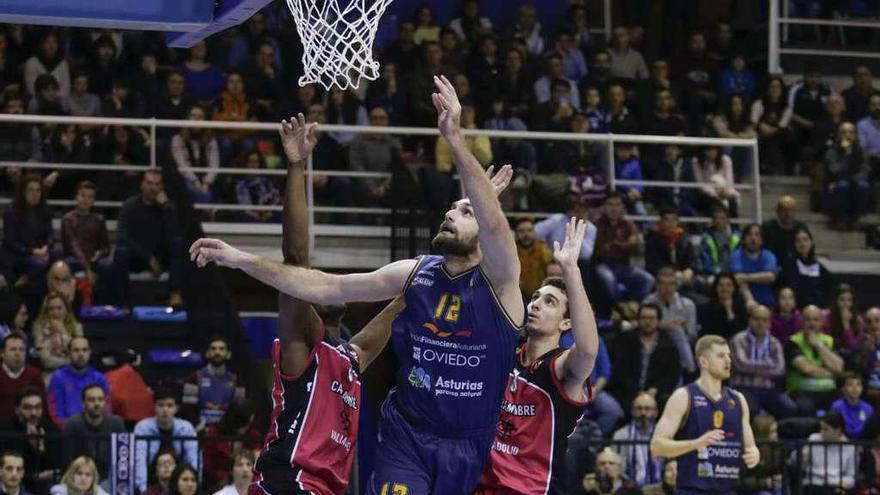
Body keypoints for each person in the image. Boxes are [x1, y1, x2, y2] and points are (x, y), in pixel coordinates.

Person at [192, 77, 524, 495]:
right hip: (363, 454)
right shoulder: (319, 340)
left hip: (464, 445)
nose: (449, 212)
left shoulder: (354, 356)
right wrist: (238, 258)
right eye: (452, 207)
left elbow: (486, 233)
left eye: (464, 211)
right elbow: (315, 278)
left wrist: (478, 191)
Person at [475, 218, 599, 494]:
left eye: (550, 302)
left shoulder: (560, 368)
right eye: (536, 298)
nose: (536, 304)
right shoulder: (506, 354)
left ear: (566, 323)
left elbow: (589, 350)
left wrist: (570, 270)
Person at [650, 335, 761, 494]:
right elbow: (657, 447)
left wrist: (754, 454)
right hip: (692, 490)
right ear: (703, 362)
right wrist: (696, 444)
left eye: (729, 355)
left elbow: (750, 447)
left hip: (728, 490)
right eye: (721, 356)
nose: (728, 360)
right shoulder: (683, 396)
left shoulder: (738, 400)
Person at [114, 171, 183, 306]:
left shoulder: (168, 207)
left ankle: (175, 294)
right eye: (149, 183)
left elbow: (175, 234)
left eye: (157, 184)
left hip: (161, 256)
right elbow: (123, 237)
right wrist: (149, 258)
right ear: (142, 185)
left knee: (179, 244)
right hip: (139, 257)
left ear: (162, 187)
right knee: (121, 253)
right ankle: (122, 303)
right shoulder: (130, 206)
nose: (153, 188)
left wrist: (166, 207)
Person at [729, 305, 799, 419]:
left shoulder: (775, 343)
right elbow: (741, 365)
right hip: (743, 387)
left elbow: (780, 370)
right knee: (751, 409)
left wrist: (752, 365)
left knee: (789, 408)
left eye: (764, 320)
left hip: (769, 389)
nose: (760, 323)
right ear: (750, 320)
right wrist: (769, 364)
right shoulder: (738, 339)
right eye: (756, 319)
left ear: (769, 323)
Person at [609, 304, 682, 411]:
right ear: (638, 319)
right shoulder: (625, 340)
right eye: (644, 318)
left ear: (658, 321)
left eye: (652, 318)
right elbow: (619, 371)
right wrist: (637, 391)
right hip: (627, 392)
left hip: (657, 394)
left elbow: (673, 374)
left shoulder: (669, 344)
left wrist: (655, 389)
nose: (648, 322)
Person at [133, 389, 199, 494]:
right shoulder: (142, 427)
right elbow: (139, 461)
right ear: (154, 407)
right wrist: (144, 491)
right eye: (160, 405)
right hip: (150, 481)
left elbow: (193, 460)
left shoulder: (186, 428)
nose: (165, 410)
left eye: (169, 405)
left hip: (180, 483)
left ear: (176, 408)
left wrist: (193, 486)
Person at [593, 192, 654, 302]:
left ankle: (636, 307)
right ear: (604, 207)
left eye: (617, 205)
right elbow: (600, 250)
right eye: (610, 205)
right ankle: (618, 308)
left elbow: (634, 246)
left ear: (622, 207)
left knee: (648, 279)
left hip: (624, 265)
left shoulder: (628, 224)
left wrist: (615, 246)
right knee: (608, 279)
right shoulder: (597, 225)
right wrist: (623, 246)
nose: (614, 208)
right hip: (603, 264)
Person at [0, 388, 63, 494]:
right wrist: (34, 477)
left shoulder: (52, 430)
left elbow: (58, 468)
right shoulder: (5, 430)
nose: (33, 413)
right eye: (27, 408)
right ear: (17, 409)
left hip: (44, 487)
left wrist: (40, 449)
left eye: (37, 407)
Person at [785, 305, 845, 416]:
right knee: (806, 409)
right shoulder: (793, 342)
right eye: (808, 320)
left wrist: (818, 345)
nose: (812, 324)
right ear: (801, 321)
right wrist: (832, 373)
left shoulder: (830, 341)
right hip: (802, 392)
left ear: (821, 322)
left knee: (841, 409)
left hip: (829, 392)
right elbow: (807, 369)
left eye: (816, 320)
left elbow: (839, 368)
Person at [2, 175, 55, 291]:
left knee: (59, 256)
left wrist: (46, 248)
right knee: (37, 265)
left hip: (40, 252)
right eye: (31, 190)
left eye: (38, 190)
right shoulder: (11, 212)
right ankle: (21, 284)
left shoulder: (45, 210)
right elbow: (10, 242)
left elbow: (50, 234)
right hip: (19, 254)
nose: (35, 194)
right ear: (23, 192)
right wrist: (32, 251)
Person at [62, 385, 126, 480]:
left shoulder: (116, 423)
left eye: (100, 399)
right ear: (83, 403)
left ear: (105, 402)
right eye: (92, 400)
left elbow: (123, 459)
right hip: (80, 478)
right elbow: (68, 460)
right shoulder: (73, 424)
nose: (97, 403)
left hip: (109, 478)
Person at [180, 336, 244, 430]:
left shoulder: (237, 380)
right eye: (213, 349)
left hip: (227, 431)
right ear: (207, 353)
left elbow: (239, 410)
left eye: (221, 349)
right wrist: (198, 428)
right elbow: (188, 408)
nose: (217, 352)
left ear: (228, 354)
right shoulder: (194, 378)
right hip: (201, 430)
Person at [642, 267, 697, 373]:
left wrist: (684, 328)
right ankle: (689, 369)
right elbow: (643, 328)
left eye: (671, 284)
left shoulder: (688, 305)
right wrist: (663, 326)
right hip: (656, 345)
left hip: (681, 345)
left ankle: (686, 369)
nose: (667, 288)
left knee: (678, 332)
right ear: (657, 285)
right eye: (663, 284)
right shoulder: (648, 303)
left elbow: (692, 335)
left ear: (676, 286)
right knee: (675, 331)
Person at [60, 182, 112, 292]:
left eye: (90, 197)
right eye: (82, 195)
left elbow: (106, 247)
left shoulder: (99, 219)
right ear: (76, 197)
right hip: (74, 258)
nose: (85, 200)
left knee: (107, 266)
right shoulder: (68, 219)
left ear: (93, 201)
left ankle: (105, 303)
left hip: (93, 259)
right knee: (69, 263)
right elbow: (73, 245)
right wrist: (87, 268)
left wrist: (99, 254)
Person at [200, 399, 261, 492]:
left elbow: (259, 467)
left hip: (248, 486)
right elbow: (208, 468)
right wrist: (230, 477)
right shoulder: (213, 435)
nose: (246, 427)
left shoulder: (253, 436)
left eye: (248, 424)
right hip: (216, 485)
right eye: (244, 424)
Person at [47, 337, 109, 427]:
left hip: (95, 430)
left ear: (89, 353)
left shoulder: (99, 378)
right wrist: (69, 429)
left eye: (84, 350)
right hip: (67, 431)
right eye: (76, 350)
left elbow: (106, 408)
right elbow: (55, 411)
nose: (81, 354)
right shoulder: (58, 377)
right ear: (68, 354)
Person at [824, 121, 872, 230]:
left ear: (855, 135)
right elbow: (834, 171)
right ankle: (840, 219)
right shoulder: (832, 152)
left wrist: (851, 180)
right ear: (839, 135)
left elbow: (864, 172)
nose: (848, 135)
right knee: (843, 185)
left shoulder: (862, 153)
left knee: (863, 185)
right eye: (844, 132)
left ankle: (854, 219)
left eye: (851, 132)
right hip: (836, 187)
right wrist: (847, 154)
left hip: (854, 184)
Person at [170, 105, 220, 204]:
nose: (196, 119)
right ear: (188, 118)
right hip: (187, 176)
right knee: (200, 194)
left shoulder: (211, 139)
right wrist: (195, 181)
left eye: (200, 116)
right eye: (193, 116)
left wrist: (206, 182)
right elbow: (182, 165)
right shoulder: (177, 139)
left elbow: (214, 164)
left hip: (206, 176)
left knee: (207, 193)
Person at [612, 393, 664, 487]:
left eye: (647, 409)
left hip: (661, 488)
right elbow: (618, 469)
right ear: (632, 411)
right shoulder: (621, 435)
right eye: (639, 409)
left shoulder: (665, 435)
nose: (643, 413)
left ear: (656, 412)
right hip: (630, 488)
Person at [802, 411, 856, 493]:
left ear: (838, 430)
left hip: (836, 485)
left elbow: (851, 478)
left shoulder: (849, 447)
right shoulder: (813, 439)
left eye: (826, 429)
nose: (822, 433)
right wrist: (803, 457)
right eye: (821, 428)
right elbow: (799, 466)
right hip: (813, 484)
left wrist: (832, 482)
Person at [32, 292, 83, 378]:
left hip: (73, 373)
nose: (55, 312)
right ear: (46, 311)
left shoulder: (77, 327)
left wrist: (63, 332)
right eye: (51, 309)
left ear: (66, 309)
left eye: (59, 308)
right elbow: (46, 362)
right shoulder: (39, 328)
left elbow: (78, 353)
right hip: (49, 374)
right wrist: (70, 362)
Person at [729, 224, 779, 308]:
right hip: (743, 301)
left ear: (762, 240)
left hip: (766, 301)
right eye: (749, 235)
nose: (753, 238)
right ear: (743, 239)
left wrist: (746, 277)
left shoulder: (768, 255)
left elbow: (770, 277)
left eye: (757, 235)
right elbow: (738, 279)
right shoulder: (736, 256)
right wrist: (749, 300)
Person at [781, 228, 830, 309]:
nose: (802, 244)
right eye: (798, 241)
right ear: (794, 244)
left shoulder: (821, 269)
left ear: (811, 243)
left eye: (805, 240)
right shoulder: (788, 266)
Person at [643, 208, 695, 281]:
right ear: (661, 221)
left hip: (682, 275)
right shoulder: (652, 239)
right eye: (666, 219)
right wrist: (673, 273)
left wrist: (689, 269)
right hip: (661, 275)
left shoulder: (684, 239)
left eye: (674, 219)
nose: (670, 223)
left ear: (677, 222)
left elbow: (690, 259)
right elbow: (653, 264)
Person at [0, 335, 44, 421]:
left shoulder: (34, 374)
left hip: (29, 423)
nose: (18, 353)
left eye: (21, 350)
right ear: (2, 353)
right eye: (13, 349)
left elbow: (43, 406)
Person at [698, 272, 749, 341]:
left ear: (734, 288)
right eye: (721, 285)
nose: (724, 288)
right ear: (716, 288)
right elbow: (707, 333)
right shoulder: (706, 308)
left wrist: (729, 311)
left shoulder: (740, 307)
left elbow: (739, 333)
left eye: (729, 285)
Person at [514, 218, 554, 299]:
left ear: (534, 233)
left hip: (540, 297)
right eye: (521, 231)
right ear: (515, 234)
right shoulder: (511, 252)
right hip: (516, 297)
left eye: (529, 230)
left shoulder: (543, 250)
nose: (526, 234)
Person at [698, 206, 741, 282]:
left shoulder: (737, 237)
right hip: (714, 273)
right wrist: (718, 271)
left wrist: (733, 271)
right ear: (712, 220)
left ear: (728, 220)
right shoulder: (706, 238)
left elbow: (741, 257)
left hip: (734, 271)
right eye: (716, 218)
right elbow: (705, 260)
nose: (718, 221)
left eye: (722, 218)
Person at [823, 283, 865, 353]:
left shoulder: (859, 321)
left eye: (849, 300)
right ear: (836, 301)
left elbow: (853, 348)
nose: (846, 304)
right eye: (842, 300)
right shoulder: (825, 317)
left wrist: (846, 324)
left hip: (850, 357)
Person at [831, 372, 874, 440]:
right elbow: (842, 429)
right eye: (850, 385)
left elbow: (870, 430)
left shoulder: (868, 408)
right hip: (844, 442)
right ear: (843, 388)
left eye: (858, 384)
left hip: (864, 443)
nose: (855, 388)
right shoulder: (837, 406)